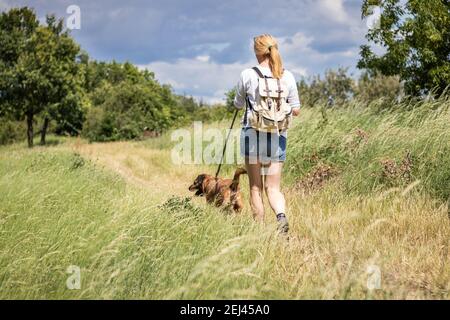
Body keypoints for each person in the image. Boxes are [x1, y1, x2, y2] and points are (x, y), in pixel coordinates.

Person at [234, 34, 300, 234]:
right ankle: (280, 217)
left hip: (252, 133)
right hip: (277, 135)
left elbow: (237, 104)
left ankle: (259, 231)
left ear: (257, 52)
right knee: (274, 188)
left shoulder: (247, 74)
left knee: (256, 187)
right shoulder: (287, 76)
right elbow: (296, 110)